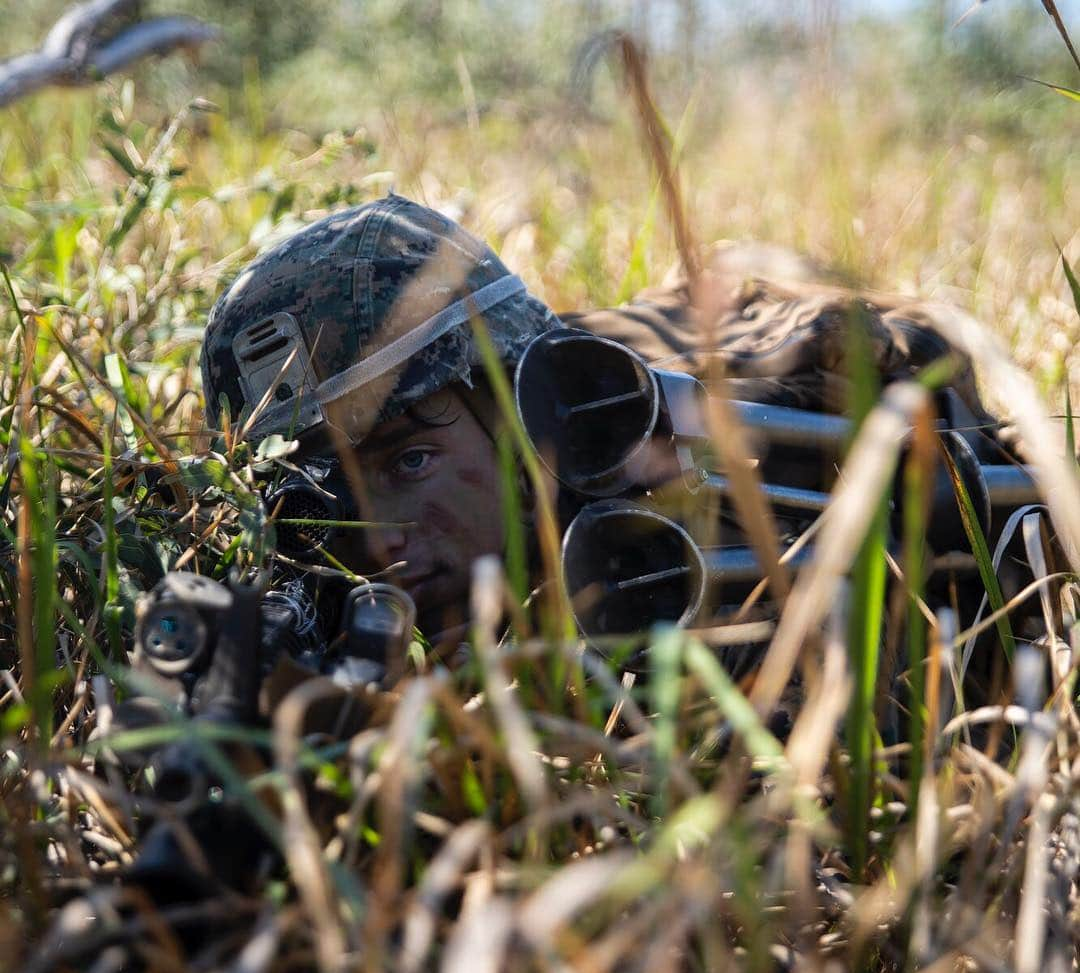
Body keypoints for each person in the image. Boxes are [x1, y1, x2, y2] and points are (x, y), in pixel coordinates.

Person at [200, 193, 1008, 652]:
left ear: (522, 430)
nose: (377, 540)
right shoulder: (309, 583)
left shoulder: (744, 497)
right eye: (321, 494)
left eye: (410, 463)